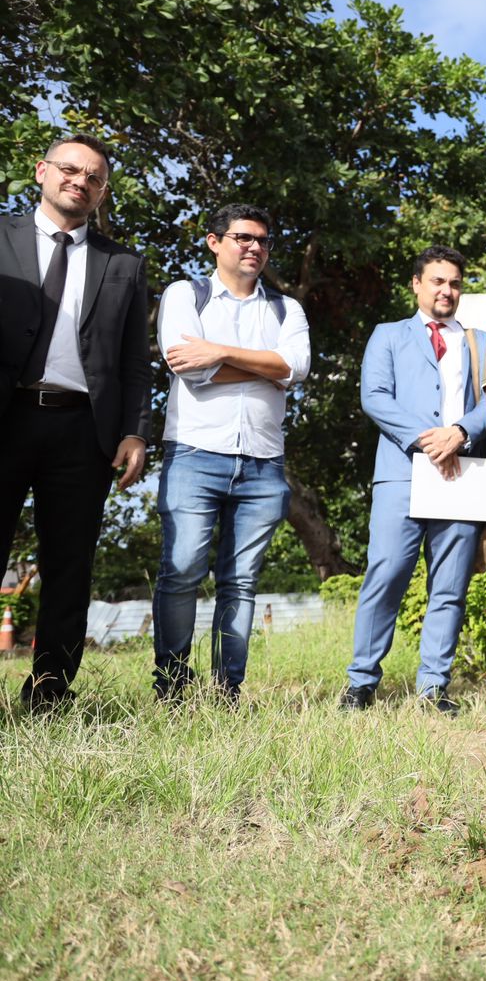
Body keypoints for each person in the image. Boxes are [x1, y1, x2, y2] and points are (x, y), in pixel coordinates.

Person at [0, 134, 151, 711]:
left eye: (92, 177)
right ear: (41, 172)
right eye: (69, 169)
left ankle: (49, 694)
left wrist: (136, 431)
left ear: (101, 191)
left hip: (81, 432)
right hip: (7, 418)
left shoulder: (124, 265)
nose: (79, 181)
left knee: (69, 567)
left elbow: (135, 360)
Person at [152, 203, 310, 703]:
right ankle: (173, 688)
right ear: (213, 241)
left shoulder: (287, 309)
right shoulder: (186, 294)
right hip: (195, 455)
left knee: (240, 583)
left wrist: (219, 351)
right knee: (180, 573)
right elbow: (187, 366)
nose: (254, 247)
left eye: (263, 240)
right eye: (242, 237)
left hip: (264, 463)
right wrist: (268, 367)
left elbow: (298, 367)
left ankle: (226, 692)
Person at [340, 246, 486, 715]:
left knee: (449, 586)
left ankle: (433, 688)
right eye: (437, 281)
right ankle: (361, 682)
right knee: (385, 576)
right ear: (416, 284)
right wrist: (428, 441)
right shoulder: (388, 335)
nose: (447, 290)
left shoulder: (481, 340)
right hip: (402, 474)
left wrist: (462, 433)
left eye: (454, 283)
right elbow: (375, 397)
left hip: (463, 472)